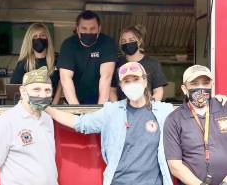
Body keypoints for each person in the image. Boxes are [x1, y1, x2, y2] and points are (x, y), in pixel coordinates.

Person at [45, 61, 174, 185]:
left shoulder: (163, 111)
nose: (131, 84)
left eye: (136, 79)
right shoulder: (112, 111)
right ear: (121, 86)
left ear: (145, 81)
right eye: (126, 82)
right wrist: (46, 108)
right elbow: (80, 123)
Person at [163, 65, 227, 185]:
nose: (201, 88)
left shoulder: (224, 108)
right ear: (184, 88)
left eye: (205, 83)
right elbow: (175, 166)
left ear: (212, 85)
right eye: (194, 84)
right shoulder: (174, 119)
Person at [0, 66, 58, 185]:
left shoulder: (47, 118)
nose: (43, 95)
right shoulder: (6, 121)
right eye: (36, 89)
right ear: (23, 91)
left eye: (47, 90)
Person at [57, 10, 117, 104]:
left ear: (99, 28)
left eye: (92, 28)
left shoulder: (107, 43)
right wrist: (76, 109)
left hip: (98, 97)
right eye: (84, 28)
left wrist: (100, 109)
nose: (88, 32)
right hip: (74, 96)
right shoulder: (68, 45)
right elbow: (65, 78)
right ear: (77, 29)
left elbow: (106, 77)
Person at [110, 25, 167, 102]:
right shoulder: (116, 63)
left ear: (139, 41)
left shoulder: (153, 63)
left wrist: (149, 107)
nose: (127, 43)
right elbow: (112, 90)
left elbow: (158, 91)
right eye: (124, 41)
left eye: (131, 40)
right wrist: (117, 107)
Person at [10, 23, 61, 104]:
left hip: (53, 106)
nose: (39, 39)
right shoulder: (24, 63)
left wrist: (54, 106)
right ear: (30, 40)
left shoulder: (58, 59)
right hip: (30, 107)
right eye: (35, 37)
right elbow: (15, 89)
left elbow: (61, 84)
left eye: (42, 35)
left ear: (48, 38)